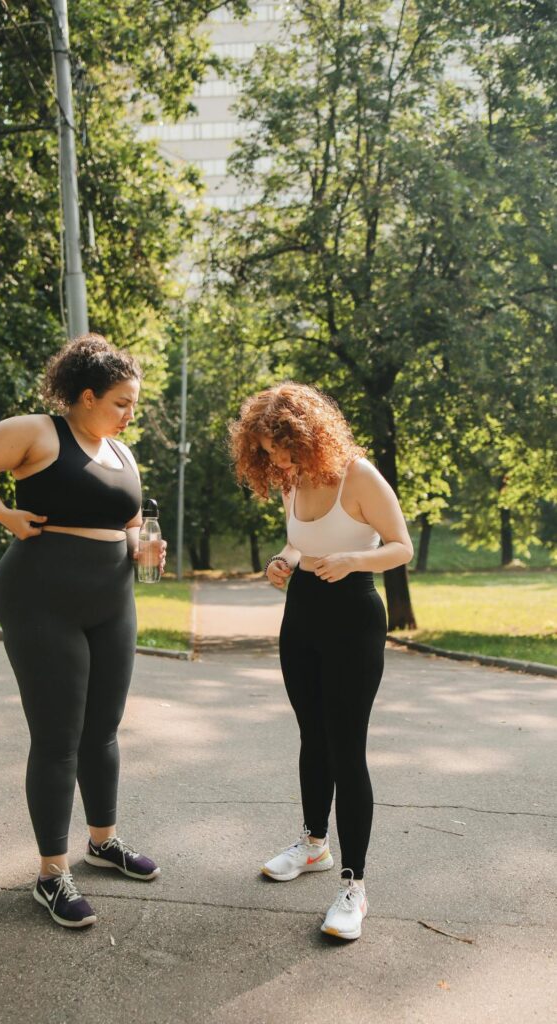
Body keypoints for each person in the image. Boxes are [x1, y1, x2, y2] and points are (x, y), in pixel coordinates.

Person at [0, 333, 166, 929]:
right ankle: (51, 873)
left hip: (112, 601)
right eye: (122, 401)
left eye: (133, 403)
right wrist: (6, 516)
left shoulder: (123, 454)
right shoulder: (38, 432)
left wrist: (146, 551)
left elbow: (128, 525)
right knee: (58, 736)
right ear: (86, 395)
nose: (129, 413)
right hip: (42, 600)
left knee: (104, 729)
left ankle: (103, 841)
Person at [229, 382, 413, 941]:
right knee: (313, 735)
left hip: (353, 614)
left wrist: (355, 559)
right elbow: (298, 543)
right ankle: (313, 846)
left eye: (279, 446)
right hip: (303, 612)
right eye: (263, 451)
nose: (275, 460)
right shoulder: (291, 480)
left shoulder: (358, 475)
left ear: (304, 433)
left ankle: (354, 887)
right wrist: (281, 564)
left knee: (346, 747)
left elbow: (399, 544)